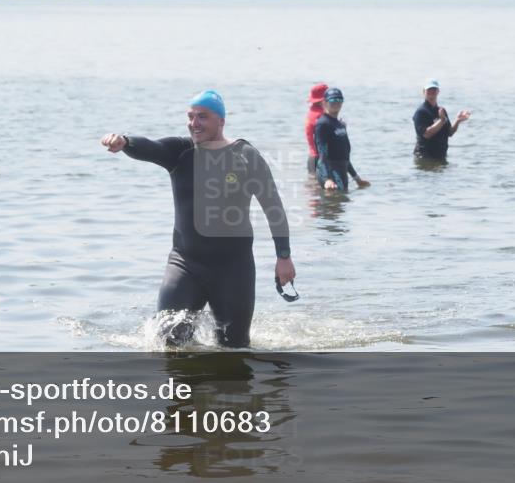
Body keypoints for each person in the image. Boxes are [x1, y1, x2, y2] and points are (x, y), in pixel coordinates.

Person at [100, 89, 296, 348]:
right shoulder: (179, 152)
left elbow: (274, 207)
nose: (194, 123)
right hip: (185, 264)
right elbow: (150, 146)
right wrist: (125, 141)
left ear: (221, 121)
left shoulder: (246, 156)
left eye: (202, 117)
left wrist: (283, 257)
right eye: (190, 116)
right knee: (168, 342)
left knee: (235, 349)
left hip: (233, 268)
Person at [314, 87, 370, 191]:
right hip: (330, 171)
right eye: (333, 100)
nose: (336, 103)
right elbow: (322, 154)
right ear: (325, 102)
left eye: (339, 100)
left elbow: (344, 156)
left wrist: (357, 178)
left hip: (341, 170)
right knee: (332, 203)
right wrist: (327, 179)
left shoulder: (340, 124)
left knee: (342, 202)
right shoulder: (323, 124)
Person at [412, 79, 471, 161]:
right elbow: (426, 134)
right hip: (424, 157)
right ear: (424, 92)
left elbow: (450, 132)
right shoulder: (421, 112)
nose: (431, 92)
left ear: (438, 92)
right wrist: (442, 120)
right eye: (429, 90)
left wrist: (458, 120)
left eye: (434, 90)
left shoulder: (441, 110)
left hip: (440, 156)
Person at [304, 83, 328, 175]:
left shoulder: (312, 111)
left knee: (314, 187)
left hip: (313, 156)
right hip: (319, 158)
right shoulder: (320, 115)